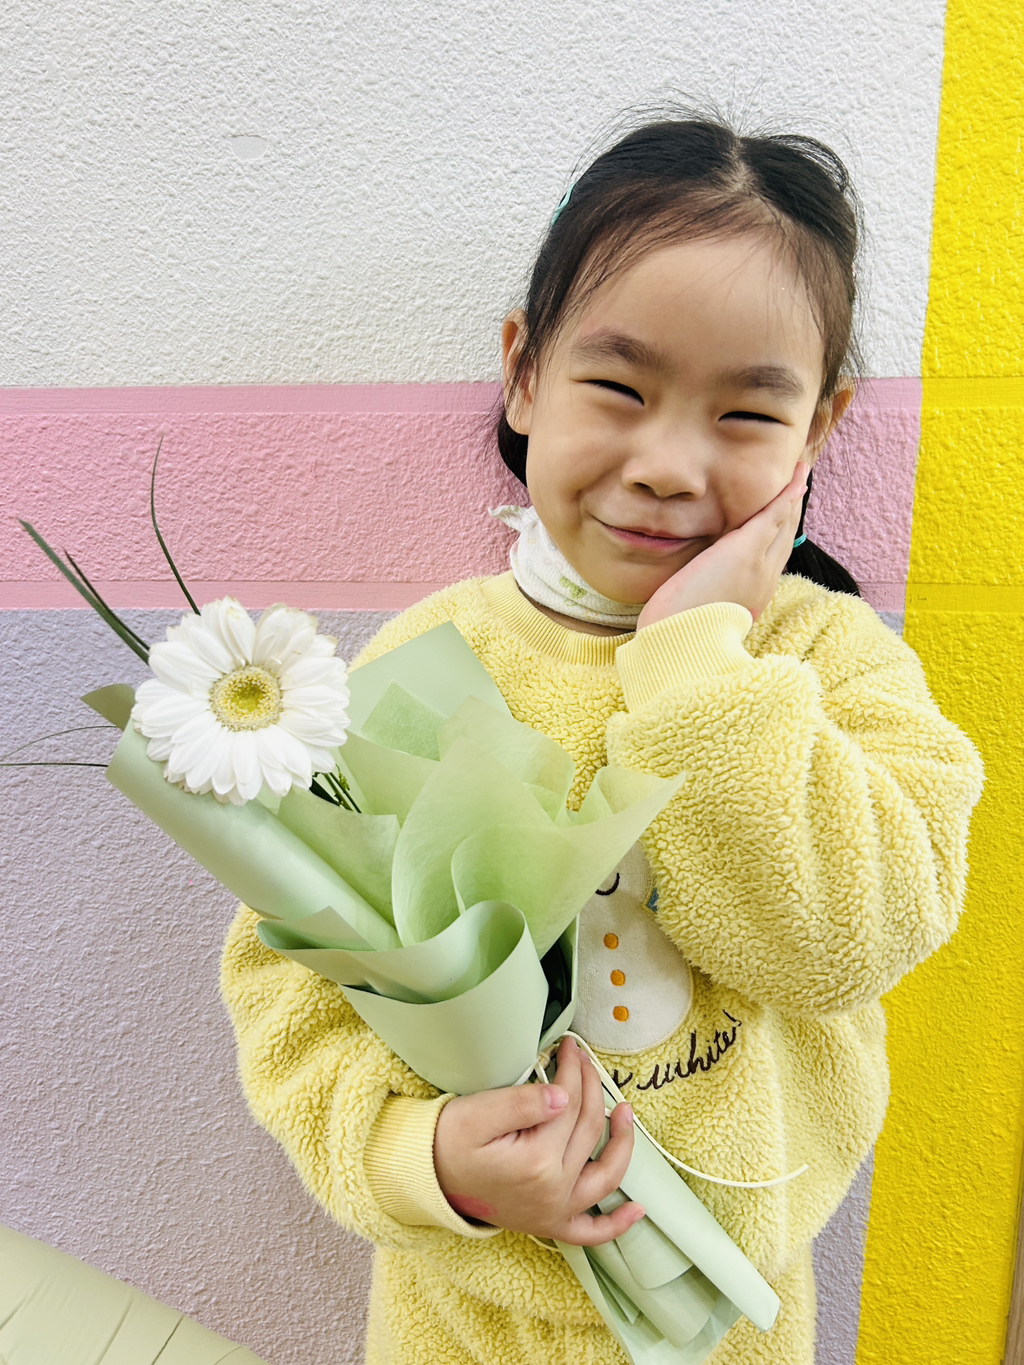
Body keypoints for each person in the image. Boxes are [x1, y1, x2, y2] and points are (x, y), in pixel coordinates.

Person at [221, 117, 984, 1364]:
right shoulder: (430, 662)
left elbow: (844, 941)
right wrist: (422, 1159)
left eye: (747, 413)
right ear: (524, 374)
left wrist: (694, 663)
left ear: (819, 430)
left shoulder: (831, 664)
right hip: (460, 1326)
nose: (669, 465)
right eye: (619, 389)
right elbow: (294, 981)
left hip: (728, 1323)